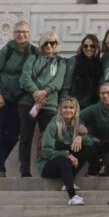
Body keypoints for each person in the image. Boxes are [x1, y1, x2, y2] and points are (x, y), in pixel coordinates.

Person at [18, 34, 67, 177]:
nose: (49, 46)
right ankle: (25, 170)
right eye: (46, 44)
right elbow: (25, 77)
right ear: (41, 45)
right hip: (28, 102)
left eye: (53, 43)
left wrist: (44, 92)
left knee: (47, 137)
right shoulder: (32, 59)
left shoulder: (61, 62)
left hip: (49, 104)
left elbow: (58, 82)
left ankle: (45, 167)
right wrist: (36, 92)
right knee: (26, 136)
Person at [0, 22, 31, 176]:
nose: (21, 34)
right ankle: (0, 169)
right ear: (14, 33)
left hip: (16, 99)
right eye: (18, 31)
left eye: (24, 32)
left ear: (29, 33)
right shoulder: (6, 51)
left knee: (13, 134)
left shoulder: (33, 52)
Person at [39, 94, 94, 203]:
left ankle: (69, 180)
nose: (68, 110)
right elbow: (45, 151)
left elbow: (90, 142)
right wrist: (66, 154)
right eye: (65, 107)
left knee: (88, 148)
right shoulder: (53, 125)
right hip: (48, 164)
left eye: (71, 107)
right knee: (66, 161)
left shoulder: (78, 124)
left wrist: (81, 137)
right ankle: (72, 197)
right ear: (60, 109)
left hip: (66, 162)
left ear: (76, 110)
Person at [80, 78, 109, 175]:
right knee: (87, 143)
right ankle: (94, 169)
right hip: (101, 142)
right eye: (102, 93)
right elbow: (76, 117)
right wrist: (80, 124)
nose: (105, 95)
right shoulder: (94, 108)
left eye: (108, 92)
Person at [67, 31, 105, 112]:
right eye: (85, 46)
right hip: (76, 105)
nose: (88, 48)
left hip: (94, 105)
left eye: (92, 46)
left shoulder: (99, 63)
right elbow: (67, 84)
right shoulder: (75, 61)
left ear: (97, 47)